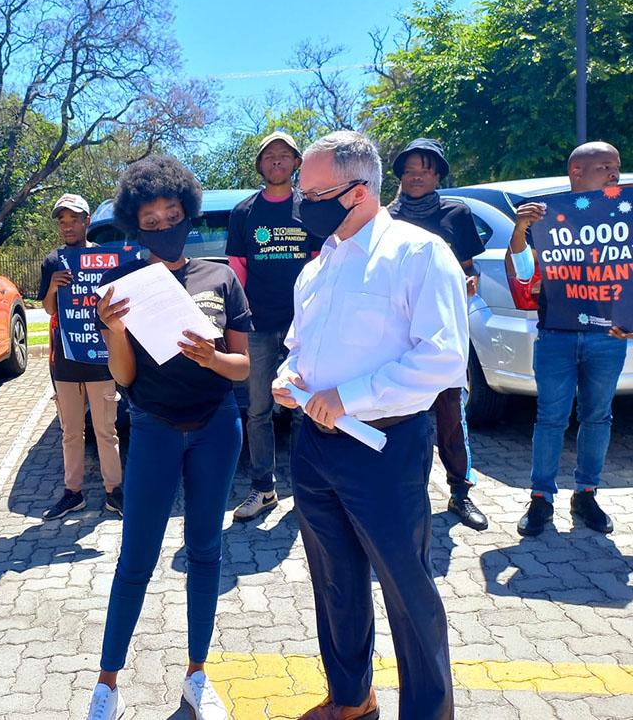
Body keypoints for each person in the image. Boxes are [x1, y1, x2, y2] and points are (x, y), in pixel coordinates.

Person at [272, 132, 468, 719]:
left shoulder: (417, 253)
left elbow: (443, 358)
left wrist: (348, 395)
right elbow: (298, 347)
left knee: (408, 592)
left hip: (386, 447)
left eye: (312, 193)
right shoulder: (321, 264)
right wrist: (290, 377)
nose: (300, 204)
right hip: (314, 447)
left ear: (358, 193)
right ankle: (352, 699)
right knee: (335, 584)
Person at [86, 155, 252, 720]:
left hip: (215, 428)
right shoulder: (121, 287)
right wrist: (112, 330)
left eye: (172, 214)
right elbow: (125, 378)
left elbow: (243, 368)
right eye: (150, 220)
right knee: (136, 557)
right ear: (136, 224)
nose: (163, 226)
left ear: (189, 212)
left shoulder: (221, 276)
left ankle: (197, 675)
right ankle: (108, 681)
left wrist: (212, 357)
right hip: (154, 428)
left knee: (206, 551)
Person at [508, 141, 633, 537]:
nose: (614, 173)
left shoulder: (625, 215)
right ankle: (541, 498)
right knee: (550, 419)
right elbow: (523, 270)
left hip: (608, 336)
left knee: (598, 416)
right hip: (556, 334)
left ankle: (587, 494)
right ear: (576, 172)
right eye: (604, 167)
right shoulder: (546, 217)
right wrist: (520, 229)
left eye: (616, 167)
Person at [388, 137, 489, 531]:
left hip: (444, 331)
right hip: (396, 332)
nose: (416, 177)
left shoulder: (456, 213)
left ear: (438, 174)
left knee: (450, 413)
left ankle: (461, 491)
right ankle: (402, 492)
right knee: (399, 414)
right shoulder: (386, 216)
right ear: (399, 175)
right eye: (409, 170)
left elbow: (469, 269)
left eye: (425, 170)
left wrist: (468, 283)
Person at [225, 131, 321, 522]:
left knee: (305, 408)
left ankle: (308, 488)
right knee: (259, 410)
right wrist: (243, 317)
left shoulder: (312, 209)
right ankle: (263, 488)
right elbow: (237, 269)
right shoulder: (244, 213)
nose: (277, 161)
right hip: (259, 327)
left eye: (285, 155)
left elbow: (321, 262)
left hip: (305, 327)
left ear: (296, 163)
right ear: (260, 165)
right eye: (270, 156)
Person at [37, 193, 124, 520]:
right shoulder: (52, 261)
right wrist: (52, 289)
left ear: (87, 221)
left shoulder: (105, 259)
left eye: (74, 219)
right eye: (62, 221)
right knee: (71, 432)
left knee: (106, 431)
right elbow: (47, 309)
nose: (68, 226)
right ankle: (72, 493)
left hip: (101, 359)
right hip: (65, 361)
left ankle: (114, 492)